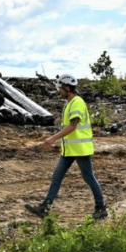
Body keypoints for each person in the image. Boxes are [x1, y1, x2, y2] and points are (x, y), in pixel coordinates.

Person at [25, 74, 107, 220]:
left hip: (80, 149)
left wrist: (52, 139)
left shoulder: (77, 102)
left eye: (60, 88)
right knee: (57, 176)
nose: (58, 91)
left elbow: (73, 126)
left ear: (67, 88)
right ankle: (45, 207)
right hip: (69, 150)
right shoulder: (70, 103)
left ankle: (101, 208)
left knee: (89, 177)